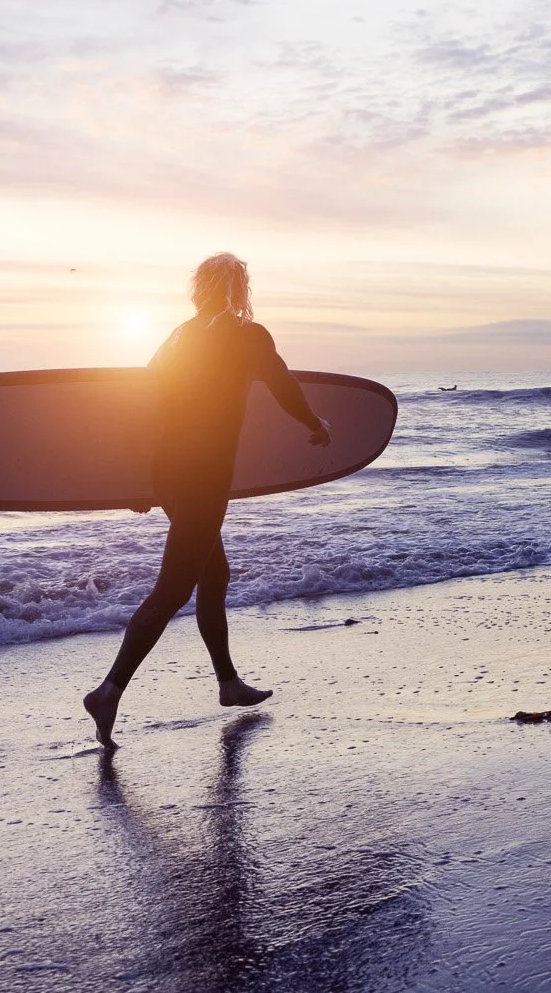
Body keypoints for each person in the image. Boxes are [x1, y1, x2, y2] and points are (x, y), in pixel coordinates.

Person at [84, 253, 330, 750]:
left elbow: (142, 403)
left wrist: (138, 481)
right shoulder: (247, 334)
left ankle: (228, 683)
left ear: (199, 287)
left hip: (169, 470)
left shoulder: (177, 336)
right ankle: (108, 691)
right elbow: (283, 385)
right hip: (203, 475)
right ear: (240, 288)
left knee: (214, 573)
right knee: (174, 587)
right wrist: (314, 424)